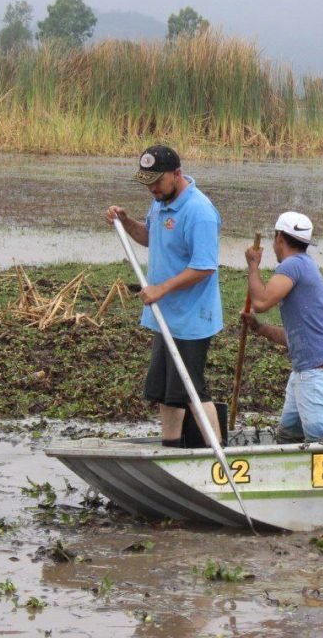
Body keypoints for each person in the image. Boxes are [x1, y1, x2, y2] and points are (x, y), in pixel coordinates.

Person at [105, 144, 223, 449]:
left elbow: (204, 267)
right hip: (165, 315)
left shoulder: (200, 212)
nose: (152, 189)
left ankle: (219, 453)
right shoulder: (160, 202)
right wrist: (127, 222)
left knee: (192, 389)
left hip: (192, 317)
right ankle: (170, 448)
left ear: (177, 174)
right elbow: (151, 236)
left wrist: (161, 289)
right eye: (147, 182)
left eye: (157, 181)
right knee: (166, 391)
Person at [242, 211, 323, 443]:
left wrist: (253, 265)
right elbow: (295, 338)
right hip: (305, 373)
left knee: (320, 447)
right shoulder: (304, 265)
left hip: (318, 374)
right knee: (288, 438)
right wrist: (259, 328)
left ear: (279, 238)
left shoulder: (293, 266)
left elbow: (261, 302)